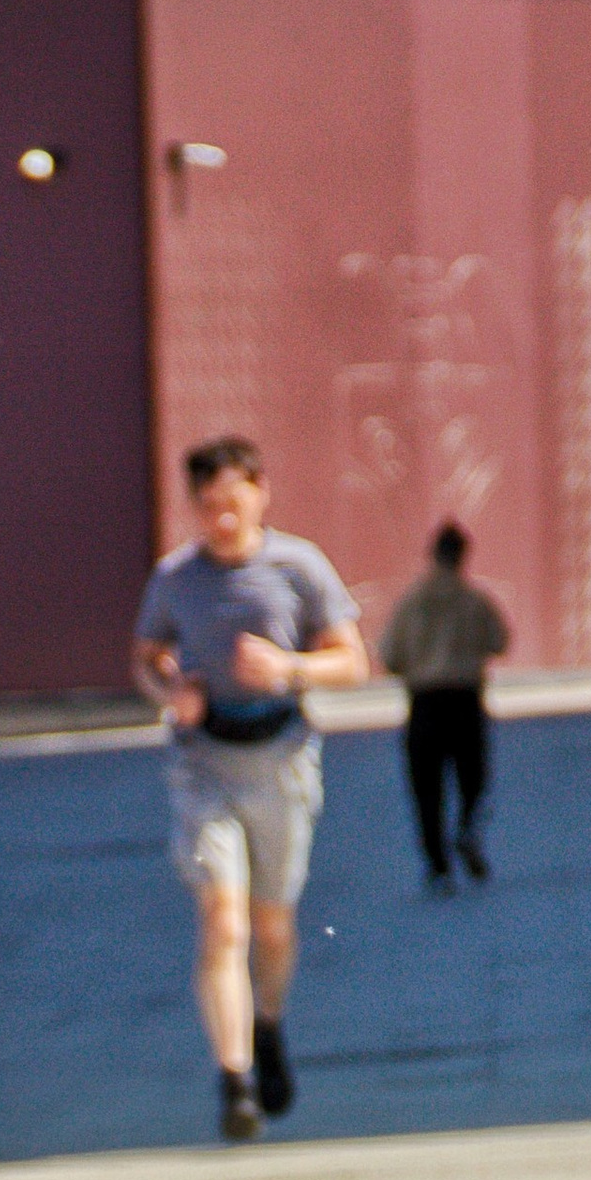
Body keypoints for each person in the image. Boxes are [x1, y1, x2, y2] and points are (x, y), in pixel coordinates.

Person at [132, 439, 369, 1143]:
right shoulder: (177, 577)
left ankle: (268, 1026)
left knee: (272, 924)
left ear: (261, 492)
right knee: (223, 920)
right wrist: (173, 690)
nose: (221, 519)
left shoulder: (297, 567)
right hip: (204, 764)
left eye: (232, 502)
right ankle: (233, 1079)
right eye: (207, 506)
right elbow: (146, 657)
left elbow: (353, 662)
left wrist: (288, 667)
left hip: (282, 759)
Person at [379, 522, 510, 889]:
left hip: (425, 702)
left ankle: (437, 864)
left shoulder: (410, 602)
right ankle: (467, 828)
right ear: (463, 556)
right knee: (473, 778)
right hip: (465, 699)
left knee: (426, 788)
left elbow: (389, 655)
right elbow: (499, 641)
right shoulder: (475, 600)